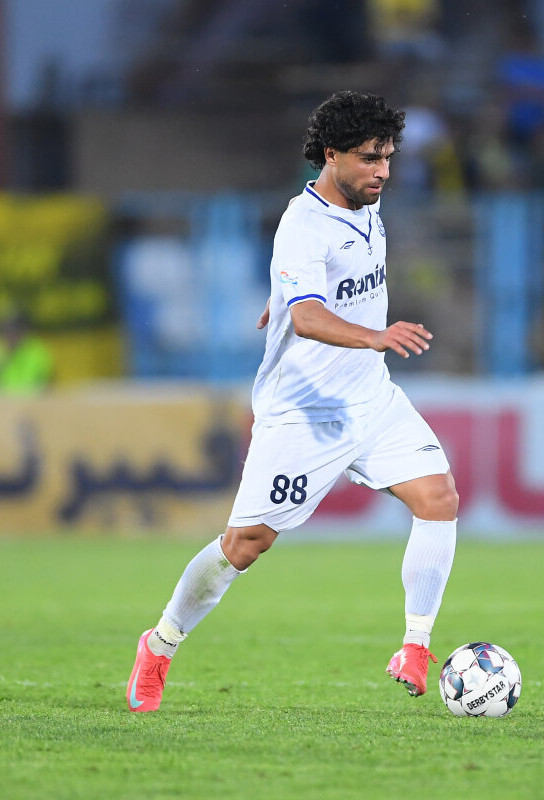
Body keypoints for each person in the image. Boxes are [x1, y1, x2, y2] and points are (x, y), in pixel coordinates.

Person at [126, 91, 459, 712]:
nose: (383, 172)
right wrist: (371, 335)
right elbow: (307, 318)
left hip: (371, 399)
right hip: (304, 415)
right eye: (369, 158)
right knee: (244, 545)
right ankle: (160, 645)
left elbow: (312, 289)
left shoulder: (367, 205)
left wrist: (283, 298)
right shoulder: (304, 224)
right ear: (331, 155)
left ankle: (415, 648)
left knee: (438, 499)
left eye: (388, 157)